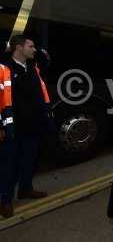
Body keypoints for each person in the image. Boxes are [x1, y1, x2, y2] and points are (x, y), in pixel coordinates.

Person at [0, 35, 51, 218]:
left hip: (33, 125)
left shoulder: (32, 67)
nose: (34, 49)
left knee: (29, 160)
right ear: (19, 48)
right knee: (8, 165)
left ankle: (26, 189)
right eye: (31, 46)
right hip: (12, 127)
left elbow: (46, 60)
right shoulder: (4, 68)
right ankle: (5, 200)